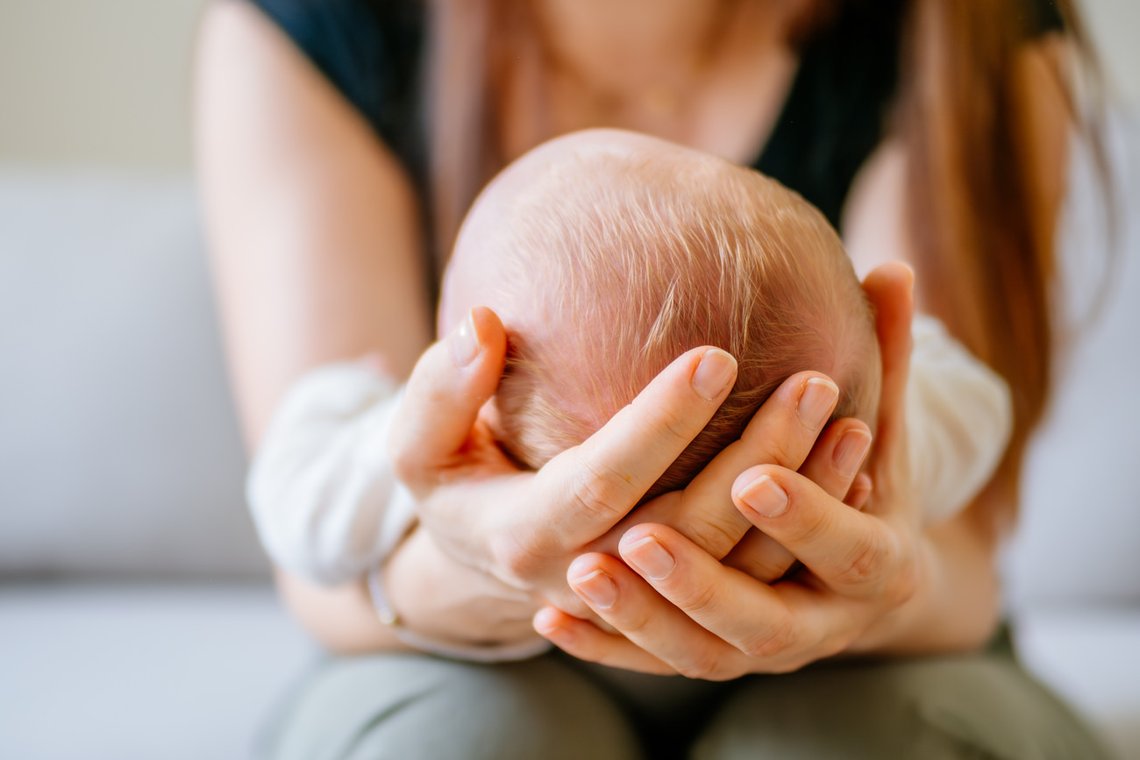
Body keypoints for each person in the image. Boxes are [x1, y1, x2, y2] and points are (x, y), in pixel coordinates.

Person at [195, 0, 1112, 757]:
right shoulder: (320, 27)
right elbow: (968, 417)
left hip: (877, 659)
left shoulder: (958, 27)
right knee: (454, 738)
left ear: (478, 403)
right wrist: (891, 431)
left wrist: (360, 428)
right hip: (467, 657)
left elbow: (303, 501)